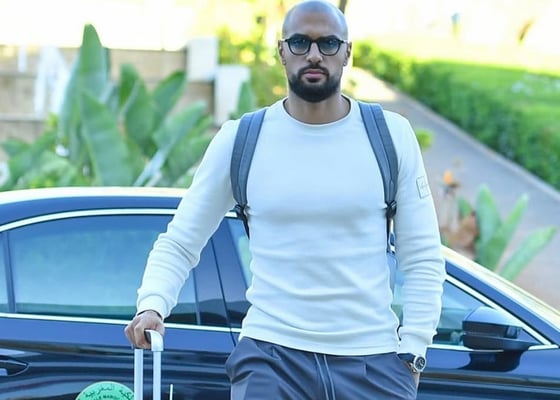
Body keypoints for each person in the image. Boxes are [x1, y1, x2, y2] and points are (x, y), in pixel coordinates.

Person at [125, 1, 446, 399]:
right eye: (300, 42)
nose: (314, 55)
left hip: (371, 361)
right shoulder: (241, 139)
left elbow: (422, 256)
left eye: (328, 43)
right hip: (271, 359)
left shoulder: (390, 136)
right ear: (281, 51)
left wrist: (413, 354)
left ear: (347, 52)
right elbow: (181, 241)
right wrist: (152, 304)